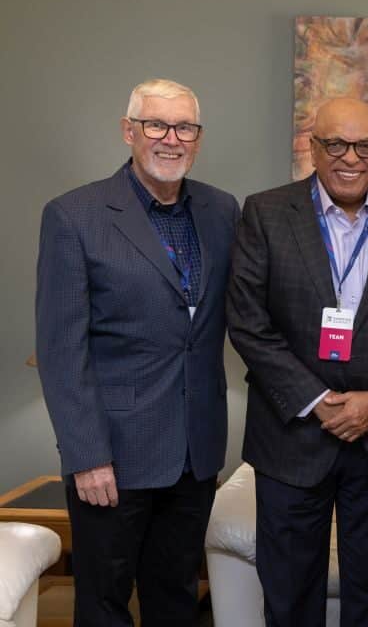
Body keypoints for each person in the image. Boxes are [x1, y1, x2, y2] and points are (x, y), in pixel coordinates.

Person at [35, 78, 239, 626]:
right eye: (156, 124)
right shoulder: (75, 217)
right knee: (103, 603)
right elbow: (60, 349)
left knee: (175, 595)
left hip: (196, 449)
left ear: (198, 137)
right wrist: (86, 456)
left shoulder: (222, 212)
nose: (171, 139)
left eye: (185, 127)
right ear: (129, 131)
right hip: (114, 456)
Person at [227, 98, 368, 627]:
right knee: (290, 595)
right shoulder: (265, 213)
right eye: (335, 144)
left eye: (365, 146)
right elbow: (248, 321)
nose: (350, 158)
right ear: (312, 148)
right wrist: (319, 402)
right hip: (291, 440)